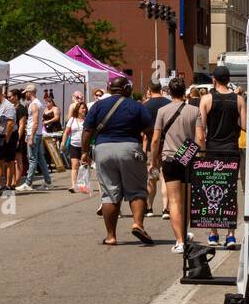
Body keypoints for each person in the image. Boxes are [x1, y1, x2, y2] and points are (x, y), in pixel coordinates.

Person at [80, 75, 154, 245]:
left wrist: (85, 152)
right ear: (127, 89)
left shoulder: (98, 106)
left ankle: (111, 236)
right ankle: (137, 224)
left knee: (109, 194)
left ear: (109, 89)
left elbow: (87, 131)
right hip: (130, 148)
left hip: (103, 150)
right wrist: (151, 152)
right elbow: (150, 130)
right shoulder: (137, 106)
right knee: (137, 190)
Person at [196, 66, 245, 249]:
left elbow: (200, 130)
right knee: (230, 191)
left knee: (211, 189)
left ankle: (213, 232)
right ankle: (231, 235)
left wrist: (201, 151)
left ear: (214, 80)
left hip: (212, 149)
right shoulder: (238, 99)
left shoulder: (206, 99)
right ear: (229, 79)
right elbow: (246, 124)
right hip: (231, 149)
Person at [150, 75, 198, 253]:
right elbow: (200, 137)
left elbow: (155, 140)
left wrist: (153, 161)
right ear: (184, 91)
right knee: (186, 200)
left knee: (174, 201)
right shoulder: (194, 110)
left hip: (169, 158)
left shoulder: (162, 111)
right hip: (188, 156)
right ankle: (184, 234)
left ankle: (179, 240)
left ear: (169, 92)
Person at [142, 78, 171, 218]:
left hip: (150, 145)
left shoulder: (145, 106)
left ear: (149, 89)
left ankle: (149, 207)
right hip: (167, 144)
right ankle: (166, 208)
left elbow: (141, 129)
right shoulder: (169, 104)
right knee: (165, 177)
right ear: (160, 88)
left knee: (151, 177)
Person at [16, 85, 52, 192]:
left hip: (35, 134)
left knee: (32, 159)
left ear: (30, 92)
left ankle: (28, 183)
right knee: (40, 158)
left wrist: (30, 136)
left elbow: (35, 122)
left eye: (26, 92)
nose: (25, 94)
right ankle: (47, 181)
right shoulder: (37, 104)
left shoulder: (35, 104)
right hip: (37, 133)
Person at [64, 101, 88, 191]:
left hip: (84, 146)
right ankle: (74, 185)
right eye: (82, 108)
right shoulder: (72, 119)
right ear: (77, 110)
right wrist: (63, 142)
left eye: (85, 108)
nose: (84, 110)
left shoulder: (87, 119)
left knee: (83, 165)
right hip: (73, 145)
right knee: (75, 165)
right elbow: (66, 132)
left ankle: (83, 185)